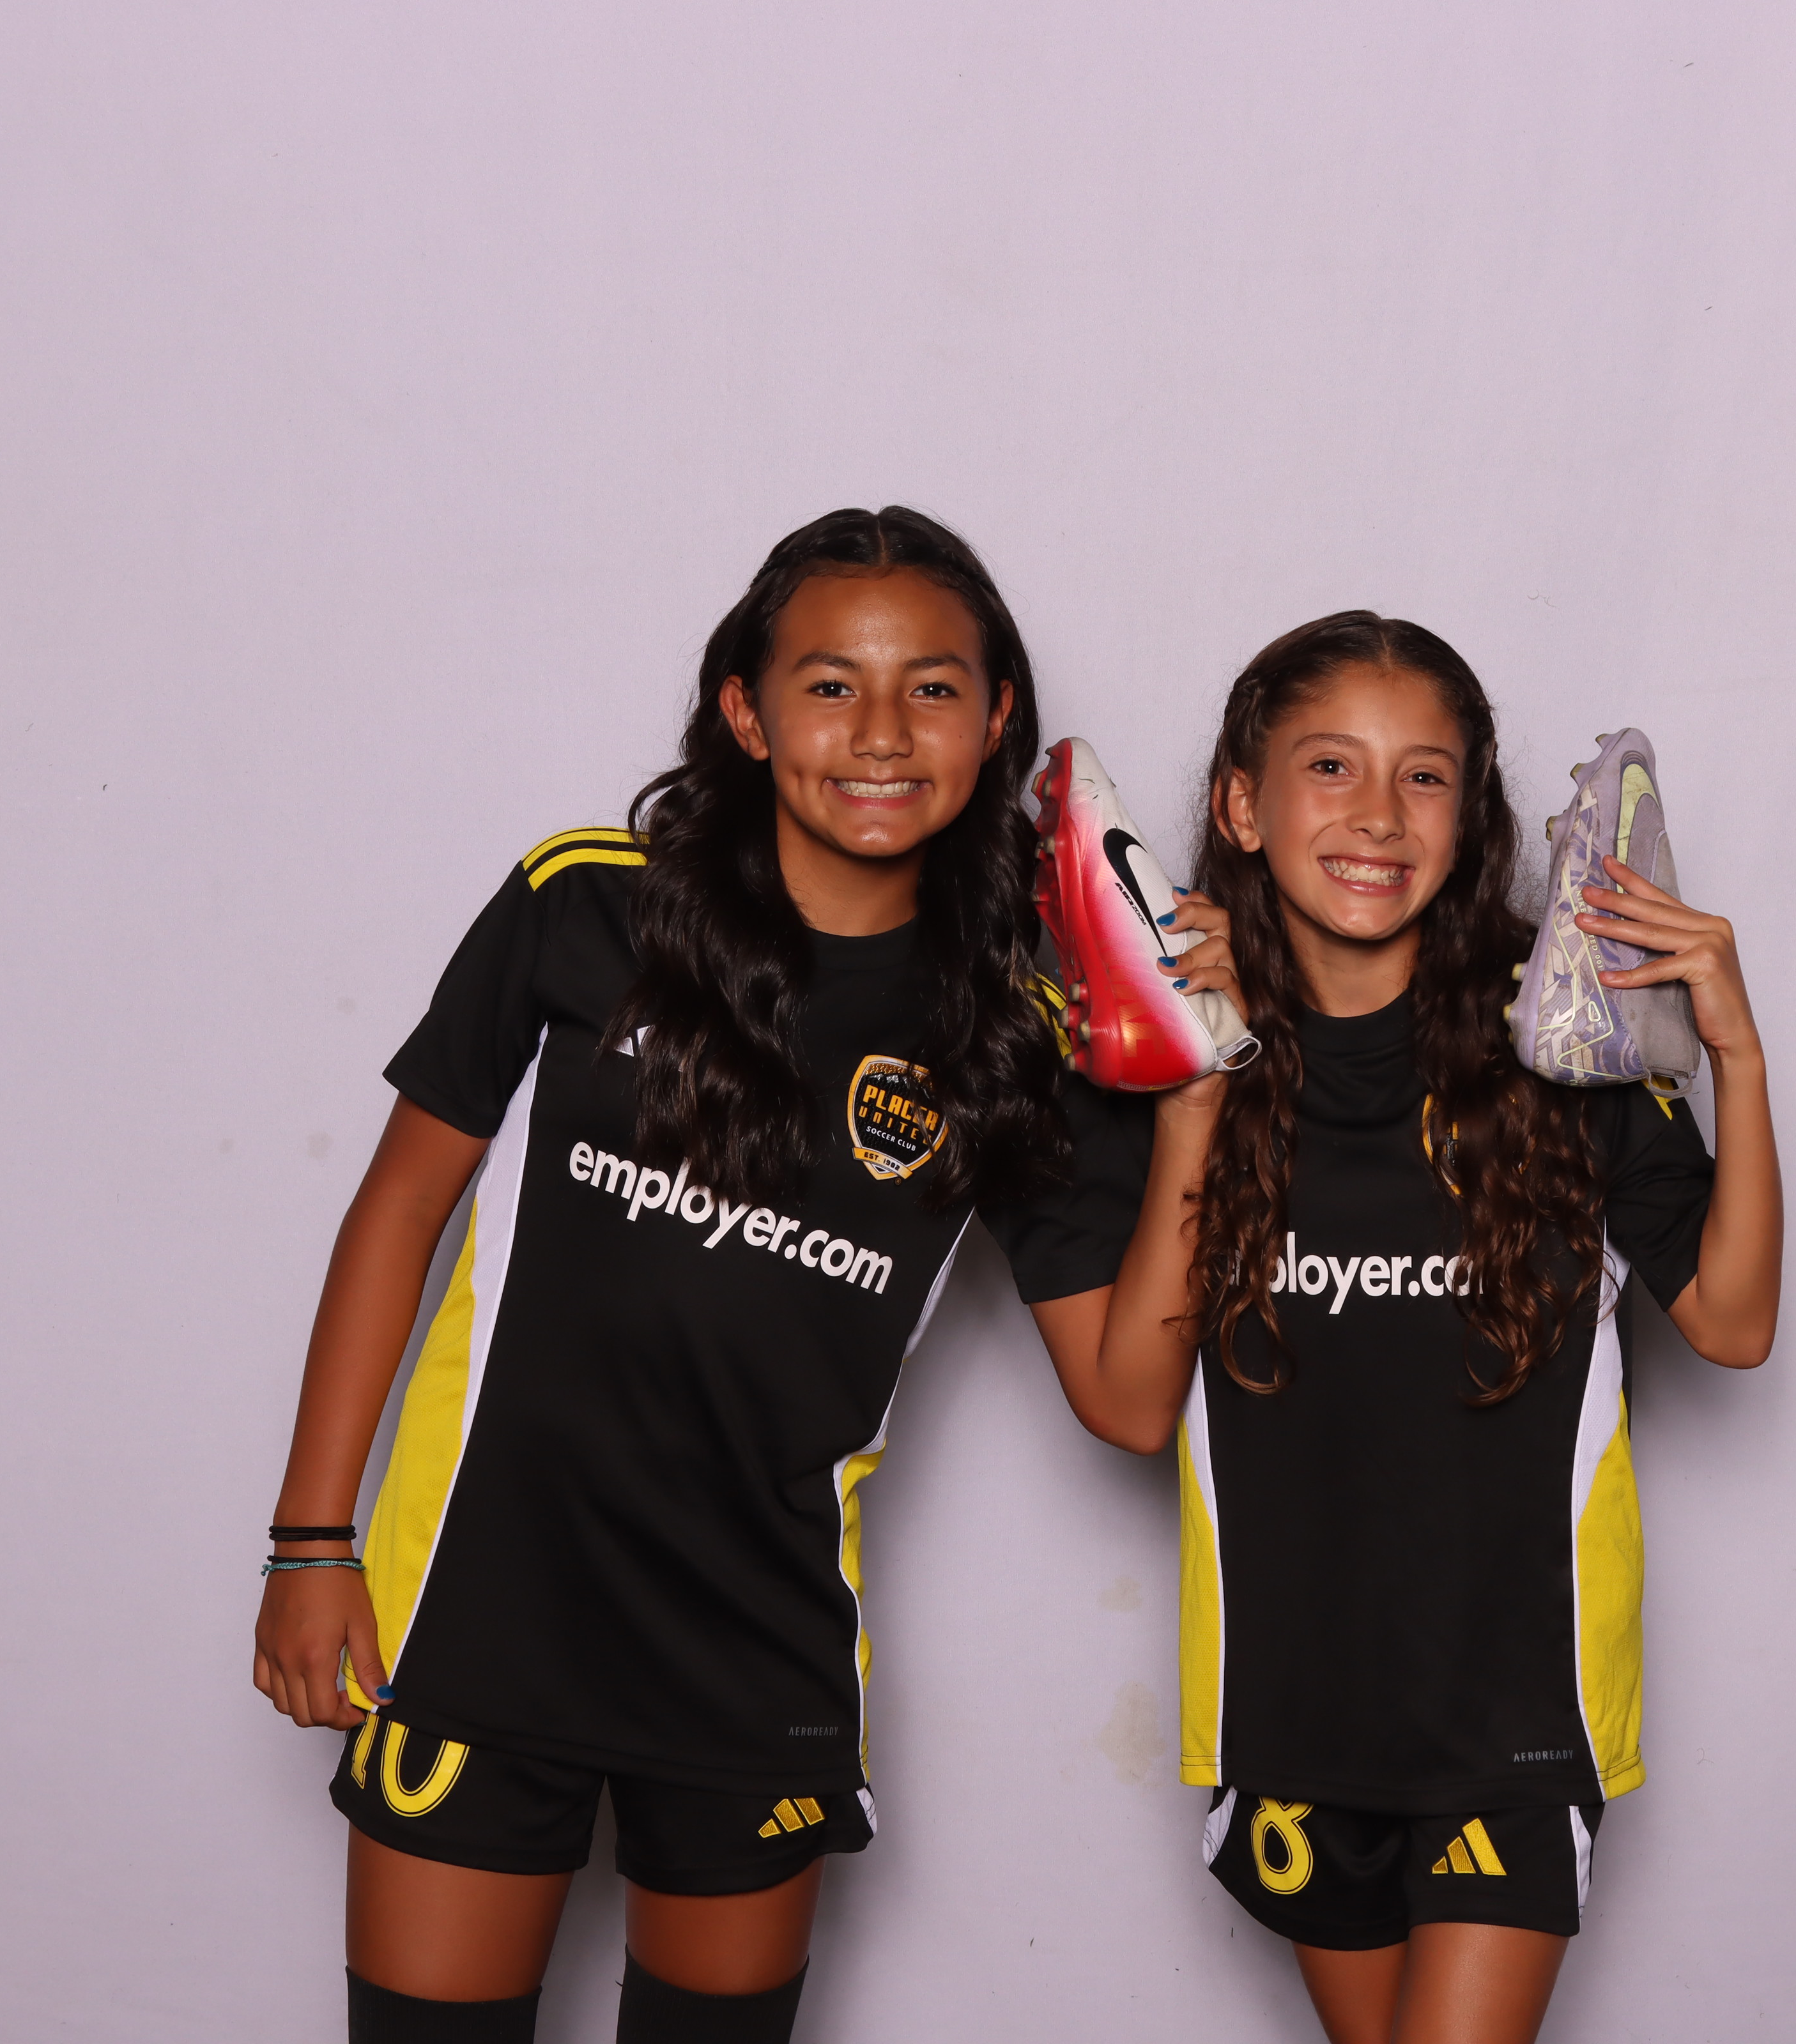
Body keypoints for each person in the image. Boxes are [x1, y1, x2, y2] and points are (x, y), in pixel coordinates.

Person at [250, 507, 1087, 2044]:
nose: (881, 732)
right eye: (830, 685)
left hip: (753, 1647)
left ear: (997, 720)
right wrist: (312, 1541)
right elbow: (398, 1206)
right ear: (746, 712)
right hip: (481, 1610)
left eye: (933, 688)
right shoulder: (589, 902)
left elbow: (1131, 1398)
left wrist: (1200, 1073)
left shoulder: (1018, 1031)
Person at [1022, 613, 1784, 2044]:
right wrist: (1195, 1091)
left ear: (1470, 817)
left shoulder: (1566, 1044)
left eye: (1424, 776)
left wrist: (1734, 1050)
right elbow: (1126, 1407)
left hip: (1517, 1705)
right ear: (1241, 804)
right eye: (1330, 765)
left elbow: (1735, 1324)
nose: (1378, 814)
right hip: (1292, 1708)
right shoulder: (1143, 1064)